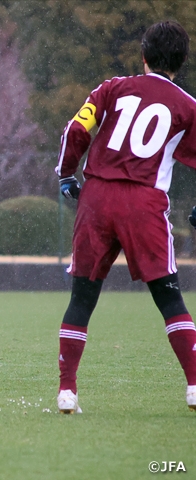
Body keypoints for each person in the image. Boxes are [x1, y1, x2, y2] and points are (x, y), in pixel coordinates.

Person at [55, 21, 196, 413]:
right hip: (144, 202)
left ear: (144, 55)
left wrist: (67, 172)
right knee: (169, 296)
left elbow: (77, 128)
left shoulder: (113, 87)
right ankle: (195, 385)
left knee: (82, 297)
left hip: (97, 197)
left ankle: (67, 391)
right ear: (181, 62)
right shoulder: (187, 106)